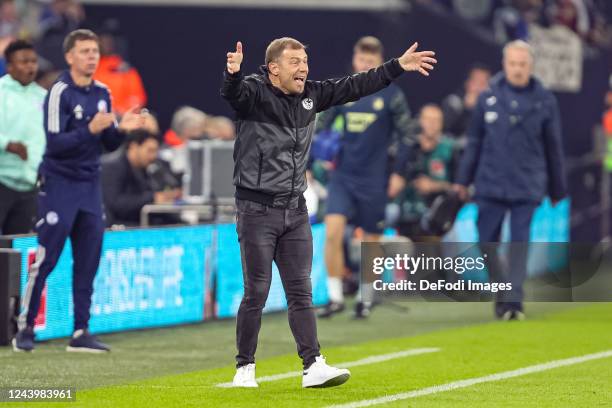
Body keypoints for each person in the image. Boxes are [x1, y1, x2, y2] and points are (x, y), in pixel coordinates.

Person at [221, 37, 436, 388]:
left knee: (301, 292)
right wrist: (232, 75)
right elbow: (233, 95)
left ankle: (312, 365)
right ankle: (245, 367)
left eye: (305, 60)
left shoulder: (312, 96)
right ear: (273, 68)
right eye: (294, 62)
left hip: (295, 208)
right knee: (256, 291)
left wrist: (397, 66)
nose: (303, 67)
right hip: (256, 210)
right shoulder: (254, 93)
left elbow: (356, 85)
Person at [13, 29, 145, 353]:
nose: (92, 57)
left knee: (88, 259)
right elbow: (55, 144)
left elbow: (106, 142)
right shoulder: (59, 92)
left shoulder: (102, 91)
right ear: (70, 56)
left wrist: (120, 130)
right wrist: (91, 128)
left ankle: (81, 331)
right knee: (47, 256)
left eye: (95, 51)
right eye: (85, 51)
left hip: (89, 185)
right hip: (59, 183)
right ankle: (25, 328)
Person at [454, 40, 566, 320]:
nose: (517, 69)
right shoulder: (487, 96)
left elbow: (554, 146)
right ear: (505, 65)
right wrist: (462, 180)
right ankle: (503, 290)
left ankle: (514, 302)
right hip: (490, 181)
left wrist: (557, 188)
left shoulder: (545, 99)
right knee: (486, 241)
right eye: (513, 64)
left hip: (527, 184)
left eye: (522, 64)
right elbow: (475, 142)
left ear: (530, 66)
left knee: (519, 243)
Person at [315, 36, 412, 319]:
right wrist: (315, 162)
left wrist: (399, 173)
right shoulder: (343, 91)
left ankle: (365, 297)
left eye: (371, 61)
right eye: (362, 60)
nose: (366, 64)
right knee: (332, 233)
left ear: (380, 62)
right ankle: (334, 297)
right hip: (343, 175)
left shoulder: (392, 95)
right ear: (355, 59)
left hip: (375, 177)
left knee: (371, 241)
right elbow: (320, 127)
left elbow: (408, 135)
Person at [0, 40, 46, 235]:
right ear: (10, 66)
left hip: (30, 184)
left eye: (33, 61)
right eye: (24, 61)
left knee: (17, 245)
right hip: (3, 179)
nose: (30, 66)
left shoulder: (43, 96)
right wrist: (7, 144)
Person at [396, 104, 457, 240]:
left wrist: (434, 186)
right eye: (428, 119)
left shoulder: (450, 149)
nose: (431, 124)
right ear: (419, 121)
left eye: (436, 121)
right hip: (404, 212)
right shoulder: (406, 148)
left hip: (437, 217)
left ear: (442, 124)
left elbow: (459, 188)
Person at [101, 130, 175, 226]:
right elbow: (115, 203)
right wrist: (152, 198)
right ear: (134, 146)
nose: (153, 156)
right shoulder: (112, 167)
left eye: (155, 151)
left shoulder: (143, 168)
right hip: (117, 227)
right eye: (150, 151)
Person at [441, 63, 491, 140]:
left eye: (483, 83)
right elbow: (447, 130)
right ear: (467, 83)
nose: (479, 88)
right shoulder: (454, 102)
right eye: (476, 82)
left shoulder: (492, 105)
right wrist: (466, 109)